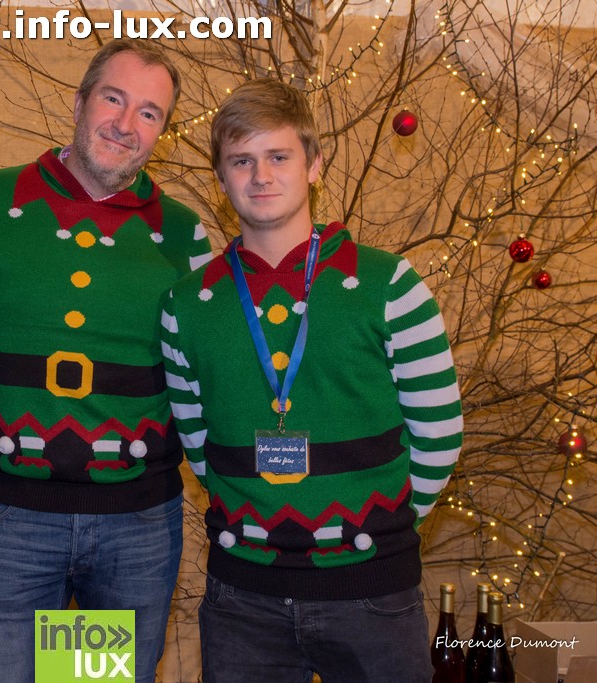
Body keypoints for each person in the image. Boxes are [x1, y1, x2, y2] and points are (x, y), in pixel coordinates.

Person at [161, 79, 464, 682]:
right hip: (241, 596)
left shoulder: (389, 285)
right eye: (241, 161)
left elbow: (440, 433)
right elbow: (199, 447)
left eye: (279, 157)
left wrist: (384, 526)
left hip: (372, 590)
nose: (260, 176)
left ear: (314, 165)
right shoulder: (187, 305)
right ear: (221, 180)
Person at [0, 40, 212, 682]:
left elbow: (209, 379)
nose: (125, 124)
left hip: (134, 530)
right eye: (114, 99)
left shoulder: (182, 234)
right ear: (80, 101)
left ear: (162, 134)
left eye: (149, 113)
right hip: (12, 522)